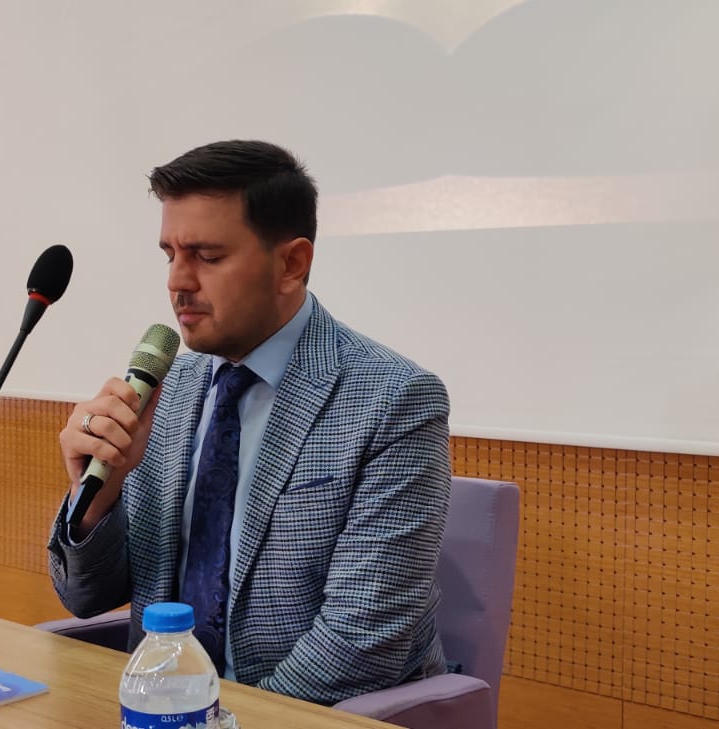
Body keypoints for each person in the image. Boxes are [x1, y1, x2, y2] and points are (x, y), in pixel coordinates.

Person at [48, 140, 452, 705]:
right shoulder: (168, 387)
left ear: (291, 264)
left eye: (207, 257)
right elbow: (85, 598)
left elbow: (361, 642)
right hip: (162, 707)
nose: (178, 282)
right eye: (170, 255)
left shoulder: (392, 400)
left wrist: (218, 720)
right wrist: (95, 498)